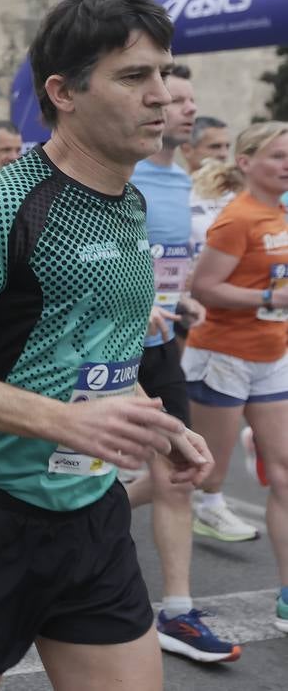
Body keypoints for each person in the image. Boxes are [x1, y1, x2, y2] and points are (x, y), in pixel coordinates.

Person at [0, 0, 212, 689]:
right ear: (63, 91)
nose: (163, 95)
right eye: (133, 77)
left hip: (92, 515)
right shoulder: (5, 206)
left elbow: (94, 348)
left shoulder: (131, 199)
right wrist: (64, 420)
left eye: (165, 73)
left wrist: (154, 424)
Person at [121, 71, 241, 661]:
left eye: (193, 100)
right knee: (61, 473)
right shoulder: (122, 172)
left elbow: (167, 265)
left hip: (160, 344)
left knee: (177, 467)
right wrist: (134, 305)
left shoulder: (178, 179)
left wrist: (179, 299)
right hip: (101, 350)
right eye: (177, 99)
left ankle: (177, 611)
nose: (188, 109)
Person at [184, 121, 288, 631]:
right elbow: (204, 288)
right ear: (246, 163)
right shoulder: (237, 218)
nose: (287, 164)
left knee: (286, 472)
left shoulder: (284, 212)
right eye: (277, 156)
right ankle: (108, 507)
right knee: (201, 478)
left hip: (272, 356)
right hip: (222, 358)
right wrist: (270, 298)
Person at [184, 112, 234, 255]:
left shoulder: (240, 193)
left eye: (227, 146)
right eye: (215, 146)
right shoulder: (175, 192)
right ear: (187, 150)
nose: (224, 154)